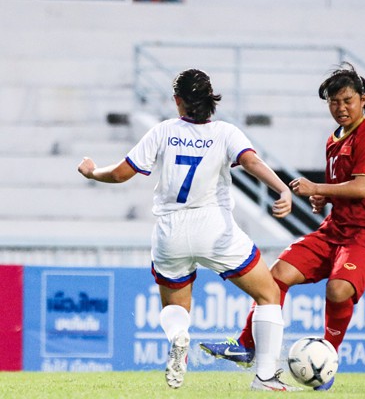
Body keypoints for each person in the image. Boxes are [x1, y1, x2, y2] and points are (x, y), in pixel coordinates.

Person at [77, 69, 301, 392]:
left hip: (170, 231)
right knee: (268, 295)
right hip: (214, 228)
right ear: (212, 101)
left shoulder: (164, 131)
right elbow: (251, 162)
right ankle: (265, 377)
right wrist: (283, 189)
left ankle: (179, 337)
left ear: (178, 101)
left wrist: (92, 172)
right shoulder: (225, 133)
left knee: (175, 309)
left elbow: (121, 174)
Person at [199, 62, 365, 391]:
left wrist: (317, 189)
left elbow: (362, 188)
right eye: (334, 102)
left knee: (338, 289)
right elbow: (345, 187)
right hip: (335, 230)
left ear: (362, 99)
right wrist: (325, 199)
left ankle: (327, 359)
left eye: (347, 100)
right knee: (276, 276)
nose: (341, 108)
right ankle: (247, 346)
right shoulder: (335, 138)